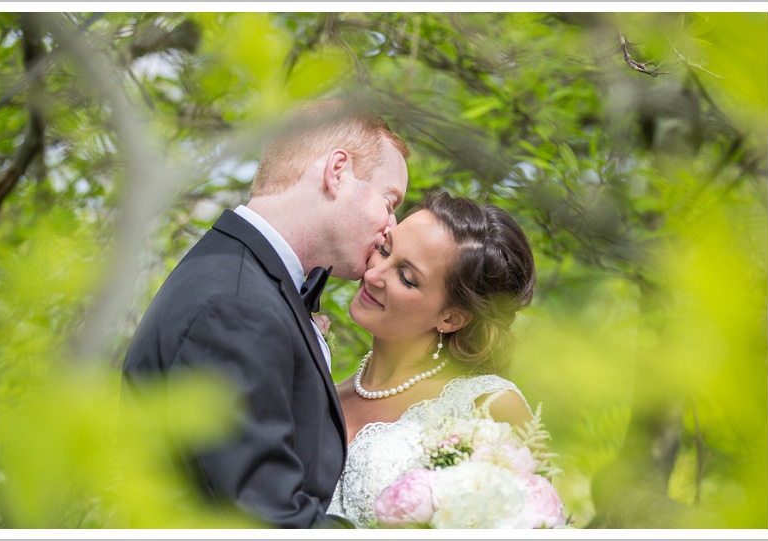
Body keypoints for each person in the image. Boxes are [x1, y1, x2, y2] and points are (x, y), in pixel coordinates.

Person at [120, 97, 410, 528]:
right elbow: (267, 521)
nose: (392, 226)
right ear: (337, 172)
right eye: (389, 202)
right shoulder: (236, 306)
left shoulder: (240, 279)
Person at [325, 191, 537, 528]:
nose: (373, 275)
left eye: (407, 277)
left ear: (451, 318)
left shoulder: (490, 407)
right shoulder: (322, 392)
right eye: (384, 249)